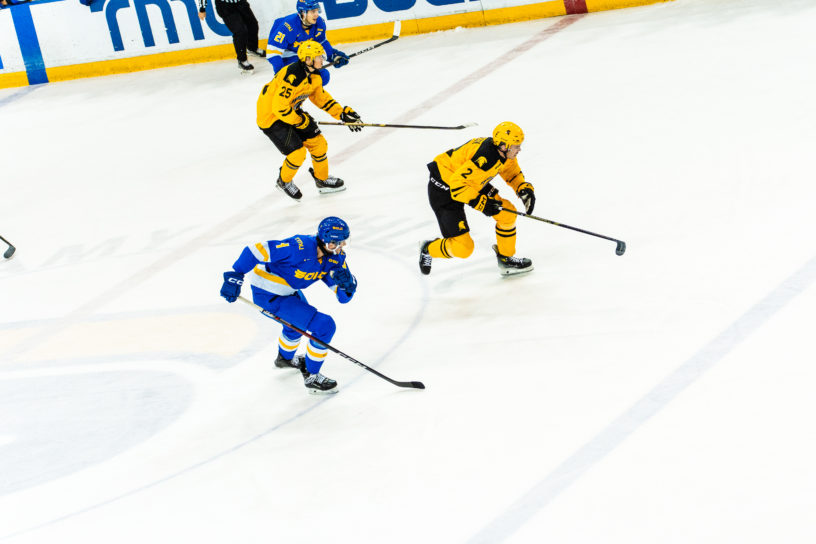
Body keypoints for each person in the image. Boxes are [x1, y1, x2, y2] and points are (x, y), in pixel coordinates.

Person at [219, 216, 357, 394]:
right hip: (267, 294)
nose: (339, 247)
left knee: (293, 327)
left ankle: (285, 359)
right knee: (324, 326)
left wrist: (348, 285)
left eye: (343, 243)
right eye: (334, 243)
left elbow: (343, 297)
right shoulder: (298, 247)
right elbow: (255, 250)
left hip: (288, 292)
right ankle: (312, 377)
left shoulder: (334, 260)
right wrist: (235, 274)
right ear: (323, 239)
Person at [419, 121, 537, 276]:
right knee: (463, 248)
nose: (519, 149)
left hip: (469, 182)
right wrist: (482, 204)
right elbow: (456, 186)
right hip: (444, 188)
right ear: (503, 145)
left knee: (508, 214)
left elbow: (511, 172)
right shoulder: (485, 158)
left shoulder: (503, 153)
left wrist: (523, 188)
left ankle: (506, 258)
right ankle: (428, 248)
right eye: (516, 145)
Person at [256, 40, 362, 200]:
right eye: (318, 56)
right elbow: (279, 108)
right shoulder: (292, 76)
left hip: (290, 110)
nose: (322, 59)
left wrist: (342, 114)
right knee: (297, 153)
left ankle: (322, 179)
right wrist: (299, 121)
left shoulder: (314, 75)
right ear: (307, 59)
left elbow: (321, 98)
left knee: (319, 144)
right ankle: (283, 181)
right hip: (270, 117)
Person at [265, 0, 350, 86]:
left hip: (304, 56)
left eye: (317, 10)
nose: (316, 14)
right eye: (313, 11)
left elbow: (321, 43)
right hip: (287, 57)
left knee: (323, 76)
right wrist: (280, 73)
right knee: (298, 78)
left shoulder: (319, 23)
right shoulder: (287, 26)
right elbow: (272, 53)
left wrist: (332, 56)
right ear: (303, 13)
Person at [198, 0, 266, 73]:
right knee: (240, 31)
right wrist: (202, 9)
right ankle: (242, 60)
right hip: (225, 7)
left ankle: (252, 48)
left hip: (240, 3)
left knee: (253, 25)